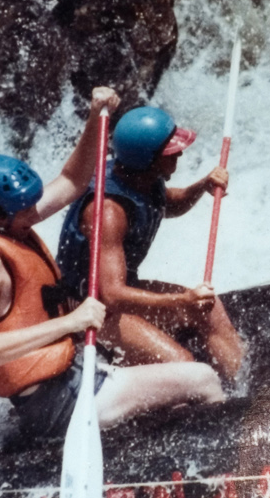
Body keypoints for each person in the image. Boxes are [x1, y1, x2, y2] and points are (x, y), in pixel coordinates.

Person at [0, 88, 224, 439]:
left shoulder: (10, 221)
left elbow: (72, 181)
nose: (36, 212)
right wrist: (71, 321)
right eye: (27, 208)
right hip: (56, 403)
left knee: (184, 381)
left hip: (75, 374)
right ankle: (218, 465)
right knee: (202, 379)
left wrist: (96, 116)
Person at [55, 105, 244, 381]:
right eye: (171, 152)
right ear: (149, 160)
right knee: (183, 367)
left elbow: (167, 204)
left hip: (117, 294)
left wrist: (201, 186)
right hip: (88, 309)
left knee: (209, 309)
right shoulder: (109, 212)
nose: (179, 153)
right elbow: (112, 295)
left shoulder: (141, 176)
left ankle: (243, 388)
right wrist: (182, 300)